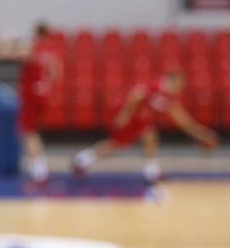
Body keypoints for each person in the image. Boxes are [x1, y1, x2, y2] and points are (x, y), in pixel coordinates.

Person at [71, 69, 218, 183]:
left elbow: (182, 119)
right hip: (129, 114)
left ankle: (83, 159)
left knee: (136, 139)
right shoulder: (158, 86)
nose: (182, 87)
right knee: (127, 141)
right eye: (181, 83)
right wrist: (124, 115)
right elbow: (136, 94)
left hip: (140, 119)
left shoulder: (169, 97)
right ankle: (83, 159)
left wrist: (200, 133)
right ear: (175, 80)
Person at [0, 22, 60, 184]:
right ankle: (40, 167)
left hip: (31, 94)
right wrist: (45, 85)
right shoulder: (50, 50)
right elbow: (56, 72)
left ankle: (40, 171)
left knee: (27, 131)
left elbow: (4, 54)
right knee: (32, 131)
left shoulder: (33, 47)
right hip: (44, 94)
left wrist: (7, 39)